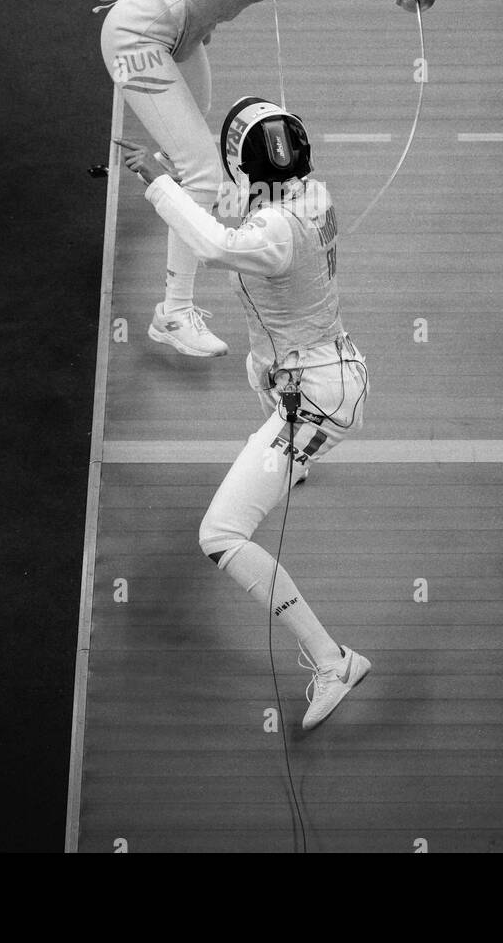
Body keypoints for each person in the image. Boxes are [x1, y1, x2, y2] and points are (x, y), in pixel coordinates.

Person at [101, 0, 434, 358]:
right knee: (204, 176)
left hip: (178, 37)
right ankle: (172, 313)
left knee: (199, 118)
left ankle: (172, 173)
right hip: (137, 40)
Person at [119, 96, 371, 729]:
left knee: (220, 535)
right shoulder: (310, 197)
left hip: (315, 401)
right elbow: (244, 219)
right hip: (315, 371)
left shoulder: (273, 232)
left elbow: (211, 243)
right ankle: (295, 462)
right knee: (256, 369)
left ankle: (335, 660)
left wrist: (160, 183)